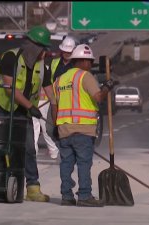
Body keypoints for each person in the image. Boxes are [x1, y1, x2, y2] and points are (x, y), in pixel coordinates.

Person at [0, 26, 56, 202]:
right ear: (34, 46)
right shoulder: (11, 57)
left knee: (28, 149)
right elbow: (10, 89)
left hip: (22, 110)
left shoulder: (43, 67)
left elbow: (51, 95)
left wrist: (57, 116)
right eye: (43, 48)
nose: (45, 52)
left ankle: (33, 188)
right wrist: (31, 107)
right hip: (1, 106)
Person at [50, 44, 115, 207]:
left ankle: (66, 196)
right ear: (83, 61)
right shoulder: (85, 77)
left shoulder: (60, 80)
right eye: (89, 61)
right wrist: (107, 87)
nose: (91, 65)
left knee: (66, 163)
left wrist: (56, 126)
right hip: (83, 129)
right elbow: (99, 97)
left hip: (64, 129)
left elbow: (54, 106)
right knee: (84, 163)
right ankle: (85, 195)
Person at [32, 36, 76, 159]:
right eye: (65, 51)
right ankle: (54, 151)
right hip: (54, 101)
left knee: (67, 127)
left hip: (70, 102)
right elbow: (48, 81)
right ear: (62, 50)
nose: (67, 53)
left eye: (69, 51)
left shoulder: (76, 64)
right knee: (49, 127)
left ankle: (65, 150)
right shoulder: (54, 62)